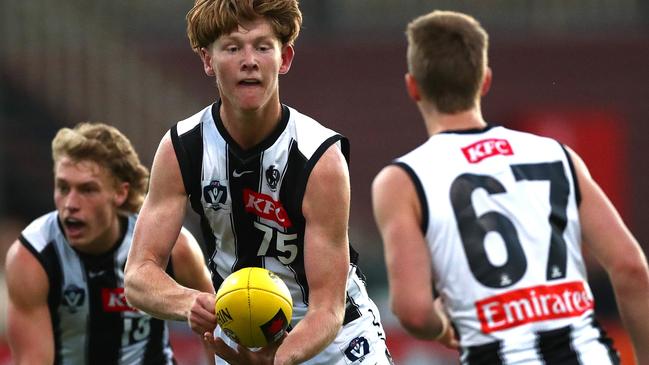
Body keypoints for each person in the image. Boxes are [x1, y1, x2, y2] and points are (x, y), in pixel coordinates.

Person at [371, 10, 649, 365]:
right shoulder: (555, 154)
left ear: (413, 87)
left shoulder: (402, 179)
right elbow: (630, 267)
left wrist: (442, 326)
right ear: (485, 81)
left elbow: (413, 311)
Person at [123, 1, 392, 364]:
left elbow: (327, 308)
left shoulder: (320, 158)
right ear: (207, 59)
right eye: (232, 47)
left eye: (263, 47)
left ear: (285, 58)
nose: (249, 60)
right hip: (242, 342)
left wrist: (276, 361)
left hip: (336, 343)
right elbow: (139, 275)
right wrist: (191, 302)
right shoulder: (181, 148)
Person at [4, 122, 214, 364]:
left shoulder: (173, 247)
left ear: (120, 193)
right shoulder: (33, 256)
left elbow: (216, 330)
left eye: (87, 190)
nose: (70, 203)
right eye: (63, 187)